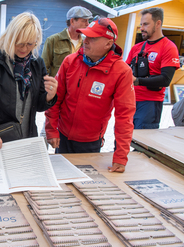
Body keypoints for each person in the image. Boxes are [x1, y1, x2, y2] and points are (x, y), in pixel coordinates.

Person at [45, 17, 136, 173]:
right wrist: (51, 129)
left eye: (92, 38)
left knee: (84, 183)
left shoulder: (121, 71)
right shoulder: (70, 61)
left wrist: (120, 156)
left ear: (108, 43)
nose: (85, 41)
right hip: (63, 137)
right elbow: (55, 99)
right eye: (86, 36)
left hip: (90, 142)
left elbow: (124, 117)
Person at [0, 12, 58, 149]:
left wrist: (49, 97)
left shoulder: (37, 63)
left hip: (26, 136)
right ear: (10, 37)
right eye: (20, 43)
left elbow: (38, 105)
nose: (24, 49)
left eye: (30, 44)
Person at [40, 6, 92, 144]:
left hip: (76, 93)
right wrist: (46, 92)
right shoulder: (54, 40)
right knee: (48, 128)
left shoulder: (87, 42)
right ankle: (41, 157)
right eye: (84, 21)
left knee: (68, 126)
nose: (87, 24)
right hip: (57, 91)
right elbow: (44, 67)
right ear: (72, 21)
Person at [126, 8, 180, 129]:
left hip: (149, 104)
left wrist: (137, 81)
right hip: (130, 101)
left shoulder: (168, 47)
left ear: (158, 23)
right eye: (141, 24)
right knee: (121, 140)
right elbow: (125, 70)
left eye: (146, 24)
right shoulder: (137, 48)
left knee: (141, 144)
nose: (142, 28)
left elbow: (165, 79)